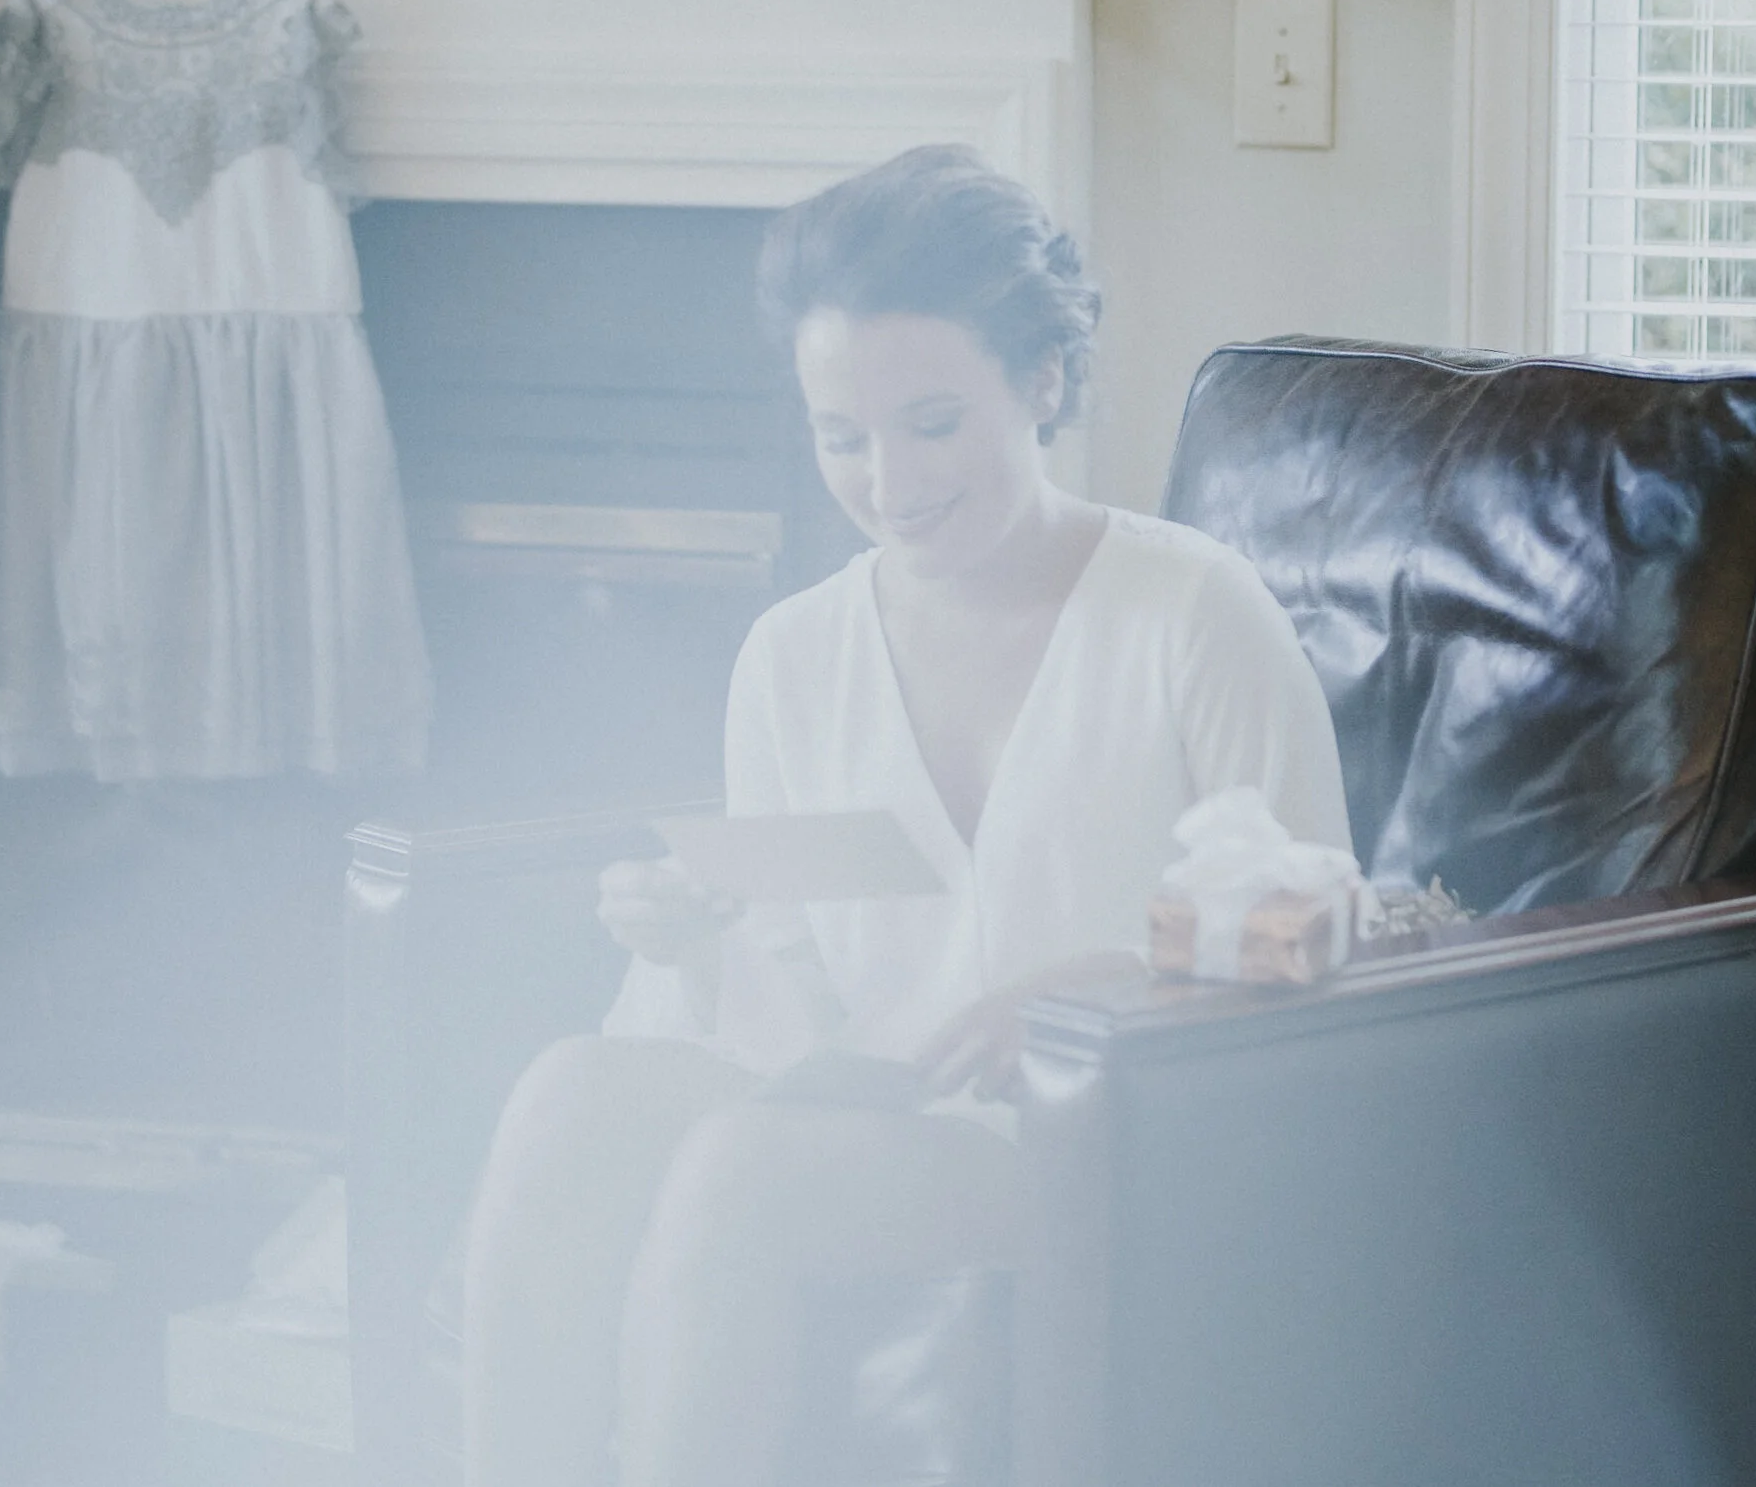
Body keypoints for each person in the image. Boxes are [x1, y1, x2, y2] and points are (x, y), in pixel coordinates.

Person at [459, 144, 1354, 1487]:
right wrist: (697, 937)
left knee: (740, 1172)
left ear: (1042, 380)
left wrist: (1098, 987)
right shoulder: (792, 652)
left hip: (1116, 1138)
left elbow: (1318, 939)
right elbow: (802, 997)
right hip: (873, 1101)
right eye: (843, 437)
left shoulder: (1191, 614)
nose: (889, 480)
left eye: (933, 423)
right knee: (569, 1091)